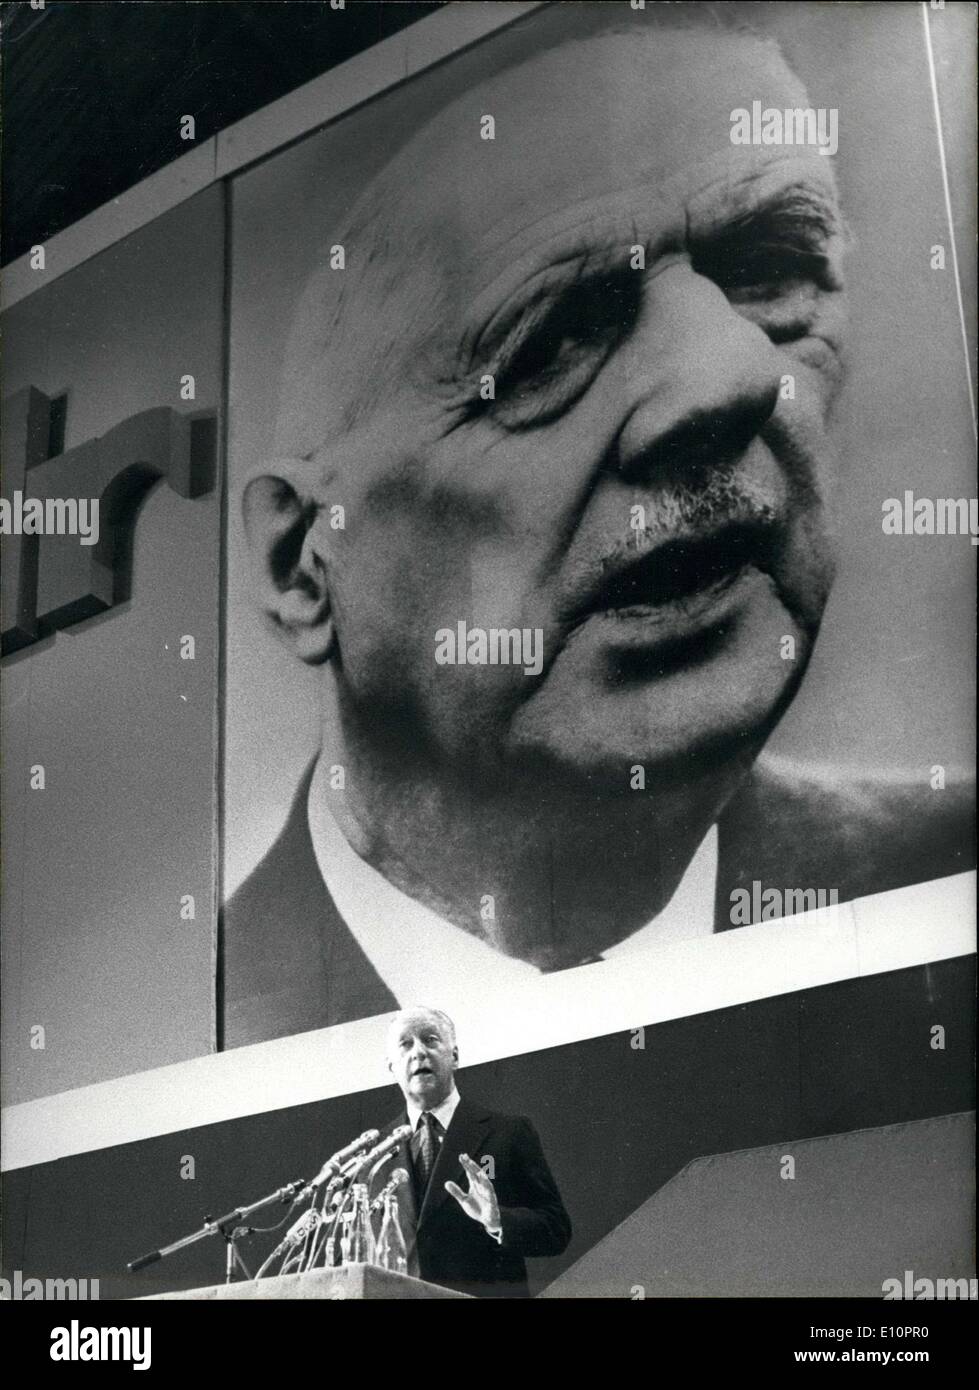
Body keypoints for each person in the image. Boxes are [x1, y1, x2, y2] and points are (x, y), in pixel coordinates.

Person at [220, 16, 974, 1047]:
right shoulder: (202, 1020)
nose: (731, 377)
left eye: (766, 267)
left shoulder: (952, 866)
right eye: (555, 338)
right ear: (301, 564)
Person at [376, 1005, 570, 1298]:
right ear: (391, 1067)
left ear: (454, 1056)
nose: (418, 1052)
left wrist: (497, 1221)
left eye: (430, 1040)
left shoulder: (508, 1133)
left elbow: (556, 1230)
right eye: (405, 1044)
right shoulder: (377, 1152)